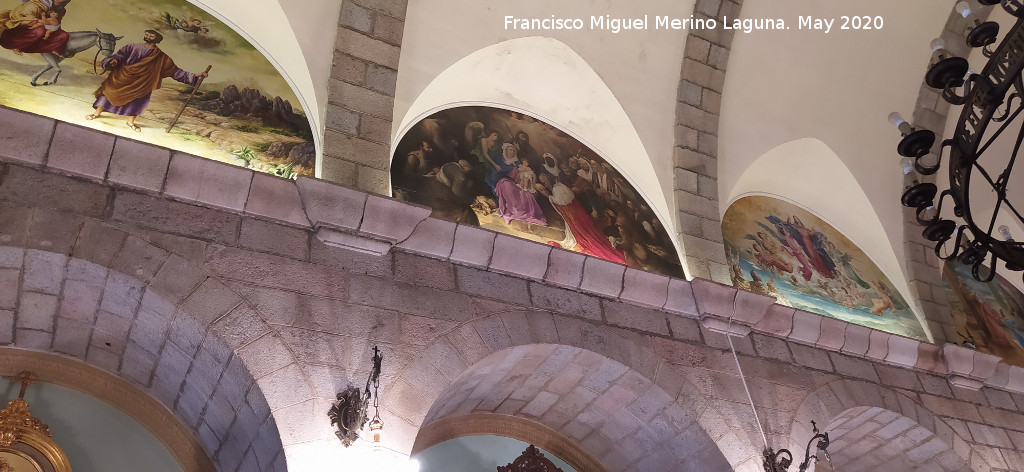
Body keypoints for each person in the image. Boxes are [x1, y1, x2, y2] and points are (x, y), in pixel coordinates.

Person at [86, 30, 208, 132]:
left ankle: (131, 122)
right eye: (147, 34)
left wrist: (196, 76)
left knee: (137, 101)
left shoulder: (161, 57)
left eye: (151, 35)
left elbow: (175, 71)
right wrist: (114, 61)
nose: (148, 37)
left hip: (143, 82)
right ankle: (96, 114)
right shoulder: (132, 46)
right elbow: (120, 55)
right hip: (122, 77)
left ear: (157, 39)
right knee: (107, 93)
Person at [0, 0, 70, 55]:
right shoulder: (35, 4)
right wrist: (38, 21)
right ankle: (18, 46)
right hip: (10, 38)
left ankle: (27, 48)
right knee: (39, 30)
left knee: (63, 36)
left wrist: (53, 27)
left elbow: (55, 25)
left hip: (33, 42)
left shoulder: (60, 10)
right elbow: (17, 16)